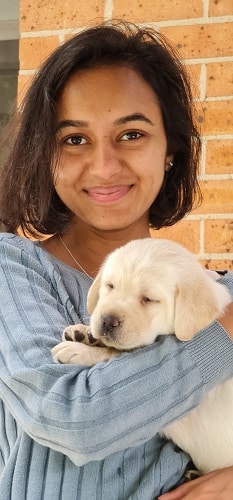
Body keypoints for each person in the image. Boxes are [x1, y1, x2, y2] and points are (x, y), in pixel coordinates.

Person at [0, 21, 232, 500]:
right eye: (75, 139)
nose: (104, 166)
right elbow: (71, 420)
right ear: (47, 155)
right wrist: (224, 333)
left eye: (131, 134)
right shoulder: (13, 272)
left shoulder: (214, 295)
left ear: (170, 150)